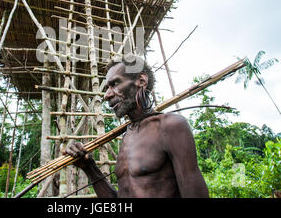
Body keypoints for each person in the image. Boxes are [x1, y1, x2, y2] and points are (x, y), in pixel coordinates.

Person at [64, 54, 209, 198]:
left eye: (114, 84)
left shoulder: (170, 126)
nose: (106, 95)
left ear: (141, 80)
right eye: (107, 87)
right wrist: (89, 167)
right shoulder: (127, 136)